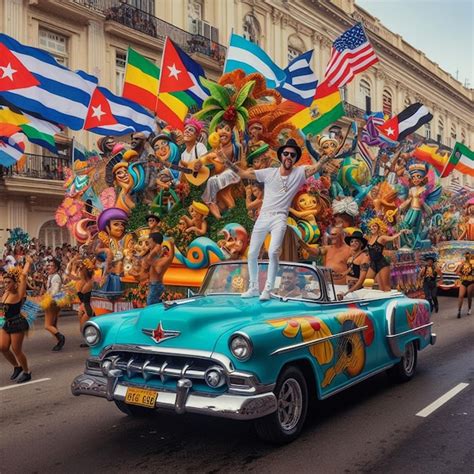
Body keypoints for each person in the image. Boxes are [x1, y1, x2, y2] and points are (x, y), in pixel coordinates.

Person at [228, 138, 329, 300]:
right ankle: (253, 287)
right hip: (264, 216)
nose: (289, 156)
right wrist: (227, 161)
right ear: (281, 155)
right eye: (286, 153)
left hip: (279, 218)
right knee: (252, 252)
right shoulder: (269, 173)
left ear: (295, 158)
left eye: (293, 155)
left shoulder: (299, 172)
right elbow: (243, 173)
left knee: (274, 251)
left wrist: (325, 158)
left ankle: (268, 289)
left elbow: (315, 167)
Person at [0, 257, 32, 383]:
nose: (6, 284)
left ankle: (27, 372)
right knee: (2, 347)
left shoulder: (18, 293)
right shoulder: (5, 293)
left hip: (17, 323)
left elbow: (23, 275)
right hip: (6, 323)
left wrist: (28, 262)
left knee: (16, 349)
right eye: (5, 282)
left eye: (8, 282)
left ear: (15, 283)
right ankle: (16, 367)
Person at [366, 218, 410, 292]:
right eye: (372, 226)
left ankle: (389, 300)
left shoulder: (381, 238)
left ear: (379, 228)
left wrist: (400, 232)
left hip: (382, 264)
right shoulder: (369, 238)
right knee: (367, 284)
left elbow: (392, 238)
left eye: (375, 226)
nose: (373, 228)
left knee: (385, 287)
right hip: (373, 264)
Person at [338, 231, 370, 300]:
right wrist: (333, 275)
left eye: (356, 242)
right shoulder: (351, 258)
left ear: (361, 244)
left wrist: (347, 293)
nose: (353, 243)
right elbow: (348, 272)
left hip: (358, 293)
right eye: (351, 241)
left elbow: (361, 281)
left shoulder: (364, 257)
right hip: (350, 291)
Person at [146, 233, 175, 306]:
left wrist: (171, 244)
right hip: (155, 285)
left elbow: (149, 260)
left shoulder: (165, 260)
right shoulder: (159, 259)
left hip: (156, 285)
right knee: (156, 306)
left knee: (151, 306)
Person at [44, 258, 66, 351]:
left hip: (53, 302)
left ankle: (61, 338)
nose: (48, 267)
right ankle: (58, 342)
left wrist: (48, 299)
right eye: (48, 265)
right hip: (53, 301)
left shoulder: (56, 277)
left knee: (47, 325)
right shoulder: (51, 276)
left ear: (56, 268)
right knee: (53, 324)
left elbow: (55, 291)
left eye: (51, 265)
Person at [455, 251, 473, 318]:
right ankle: (459, 311)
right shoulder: (462, 263)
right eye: (466, 255)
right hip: (464, 281)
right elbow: (457, 272)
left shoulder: (473, 263)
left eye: (468, 255)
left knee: (469, 296)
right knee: (460, 296)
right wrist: (461, 275)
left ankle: (469, 309)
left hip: (471, 281)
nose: (467, 256)